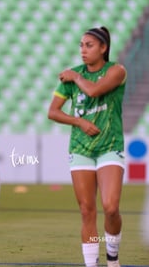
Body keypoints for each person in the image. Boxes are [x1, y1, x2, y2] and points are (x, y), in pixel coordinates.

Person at [48, 26, 126, 267]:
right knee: (86, 211)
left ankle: (112, 256)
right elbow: (53, 112)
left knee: (111, 207)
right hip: (80, 148)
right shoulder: (71, 77)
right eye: (81, 45)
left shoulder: (116, 71)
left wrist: (75, 77)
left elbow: (93, 91)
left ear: (103, 48)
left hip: (109, 145)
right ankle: (91, 264)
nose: (83, 50)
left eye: (89, 45)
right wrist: (78, 121)